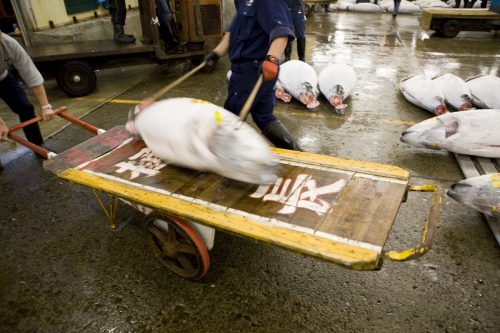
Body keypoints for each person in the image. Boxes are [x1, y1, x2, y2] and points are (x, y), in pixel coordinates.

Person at [202, 0, 301, 151]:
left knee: (231, 116)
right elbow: (233, 32)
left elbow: (281, 31)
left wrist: (272, 59)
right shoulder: (245, 2)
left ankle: (232, 165)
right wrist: (217, 53)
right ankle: (298, 154)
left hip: (254, 71)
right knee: (264, 116)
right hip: (252, 70)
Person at [0, 31, 55, 150]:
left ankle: (38, 147)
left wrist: (45, 106)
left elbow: (30, 73)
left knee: (26, 108)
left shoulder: (9, 43)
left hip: (2, 77)